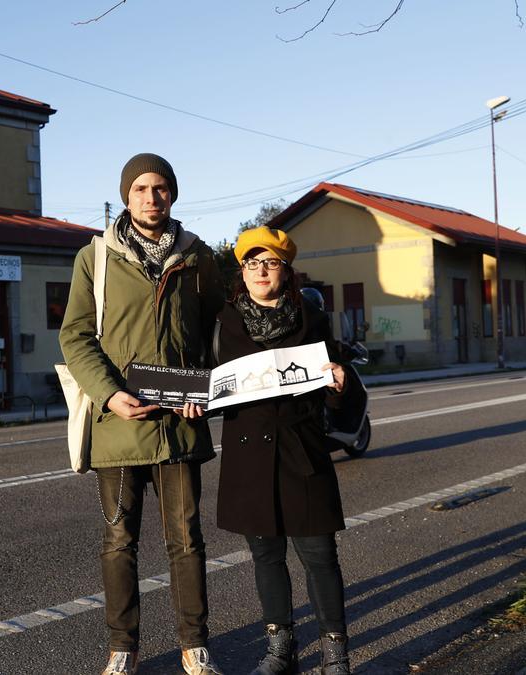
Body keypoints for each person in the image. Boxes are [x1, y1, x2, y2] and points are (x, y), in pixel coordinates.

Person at [59, 153, 226, 675]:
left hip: (180, 424)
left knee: (187, 540)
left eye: (160, 188)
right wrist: (109, 395)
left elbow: (216, 338)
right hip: (118, 425)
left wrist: (210, 389)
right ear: (126, 195)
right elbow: (76, 336)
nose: (151, 198)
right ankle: (122, 649)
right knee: (118, 541)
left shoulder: (199, 257)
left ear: (173, 193)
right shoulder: (96, 258)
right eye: (140, 189)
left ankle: (194, 647)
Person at [211, 226, 353, 675]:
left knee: (319, 555)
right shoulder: (224, 321)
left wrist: (338, 382)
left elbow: (335, 385)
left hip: (301, 452)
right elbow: (209, 381)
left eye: (269, 262)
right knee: (266, 556)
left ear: (285, 271)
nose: (260, 270)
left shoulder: (312, 319)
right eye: (252, 263)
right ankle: (280, 650)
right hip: (248, 458)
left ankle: (336, 654)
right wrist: (193, 401)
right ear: (242, 272)